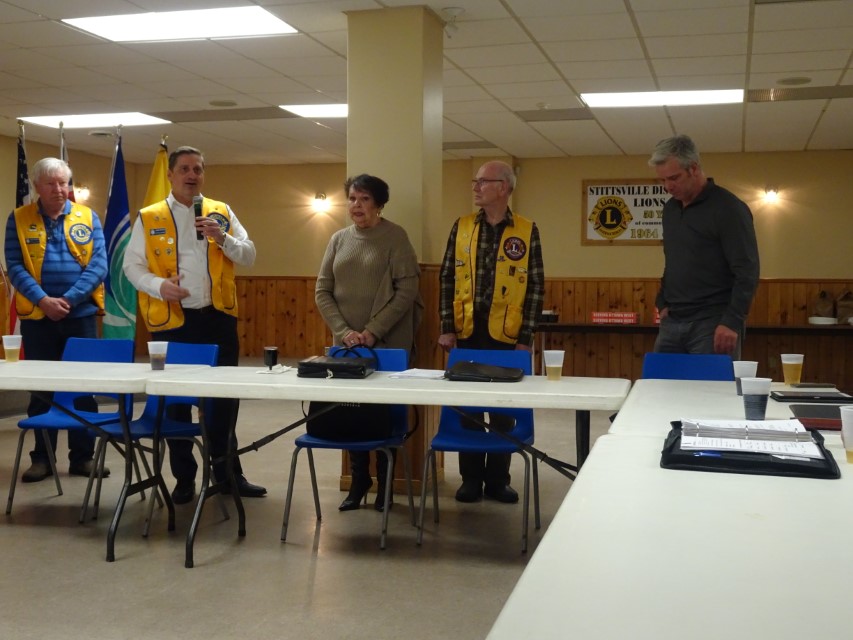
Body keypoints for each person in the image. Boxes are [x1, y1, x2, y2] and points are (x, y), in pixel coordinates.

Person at [123, 145, 266, 505]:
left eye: (198, 169)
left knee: (224, 401)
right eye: (185, 169)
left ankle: (228, 475)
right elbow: (131, 266)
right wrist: (159, 286)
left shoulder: (221, 211)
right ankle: (184, 478)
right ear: (170, 175)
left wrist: (223, 238)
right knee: (175, 402)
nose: (192, 175)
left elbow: (249, 254)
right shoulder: (150, 216)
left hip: (217, 319)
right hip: (173, 323)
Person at [438, 160, 545, 504]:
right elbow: (447, 277)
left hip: (507, 336)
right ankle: (470, 479)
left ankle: (498, 480)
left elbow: (535, 287)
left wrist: (526, 339)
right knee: (468, 408)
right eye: (475, 181)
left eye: (482, 181)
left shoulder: (526, 230)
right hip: (467, 331)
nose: (476, 187)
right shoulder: (462, 227)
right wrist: (446, 327)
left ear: (504, 187)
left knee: (503, 409)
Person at [315, 174, 421, 512]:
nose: (356, 206)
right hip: (347, 345)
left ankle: (385, 486)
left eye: (364, 199)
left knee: (383, 413)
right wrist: (344, 331)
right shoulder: (338, 239)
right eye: (352, 199)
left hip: (386, 342)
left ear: (379, 204)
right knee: (353, 413)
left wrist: (373, 330)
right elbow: (322, 290)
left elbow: (407, 290)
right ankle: (359, 481)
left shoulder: (395, 237)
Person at [4, 157, 110, 482]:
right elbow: (15, 265)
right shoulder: (18, 218)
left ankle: (83, 457)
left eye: (63, 183)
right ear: (37, 186)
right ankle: (43, 459)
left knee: (83, 388)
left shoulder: (87, 217)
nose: (59, 189)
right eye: (51, 184)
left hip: (81, 316)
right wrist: (43, 300)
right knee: (42, 391)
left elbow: (99, 264)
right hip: (38, 317)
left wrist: (69, 299)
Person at [649, 134, 760, 359]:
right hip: (672, 321)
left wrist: (732, 321)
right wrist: (662, 303)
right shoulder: (670, 210)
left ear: (694, 168)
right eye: (662, 180)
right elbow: (674, 261)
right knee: (659, 382)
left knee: (711, 383)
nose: (668, 186)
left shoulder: (729, 208)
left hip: (714, 323)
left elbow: (747, 269)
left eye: (674, 178)